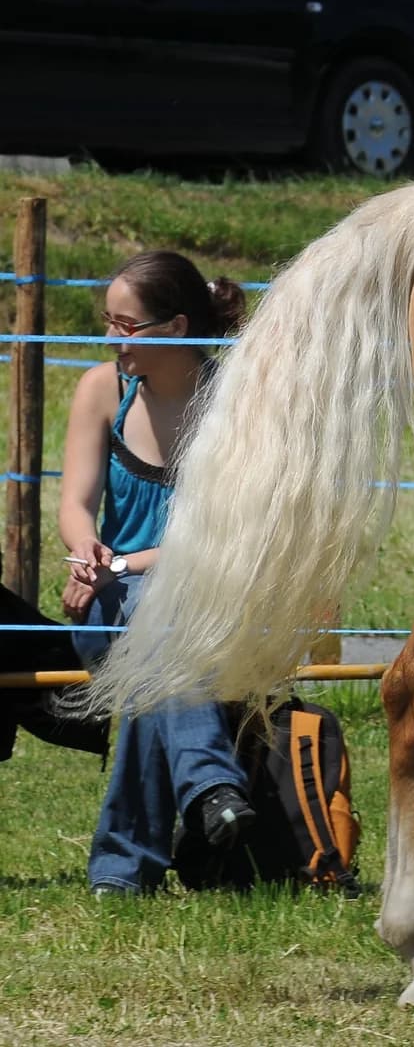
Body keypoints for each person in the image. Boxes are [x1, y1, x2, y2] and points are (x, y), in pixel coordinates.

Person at [67, 251, 252, 894]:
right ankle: (211, 786)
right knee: (154, 620)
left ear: (175, 328)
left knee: (159, 634)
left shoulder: (235, 401)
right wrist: (88, 554)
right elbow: (75, 504)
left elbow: (213, 537)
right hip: (108, 600)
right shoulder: (102, 390)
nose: (110, 339)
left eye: (126, 325)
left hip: (206, 598)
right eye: (108, 322)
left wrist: (119, 561)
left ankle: (123, 869)